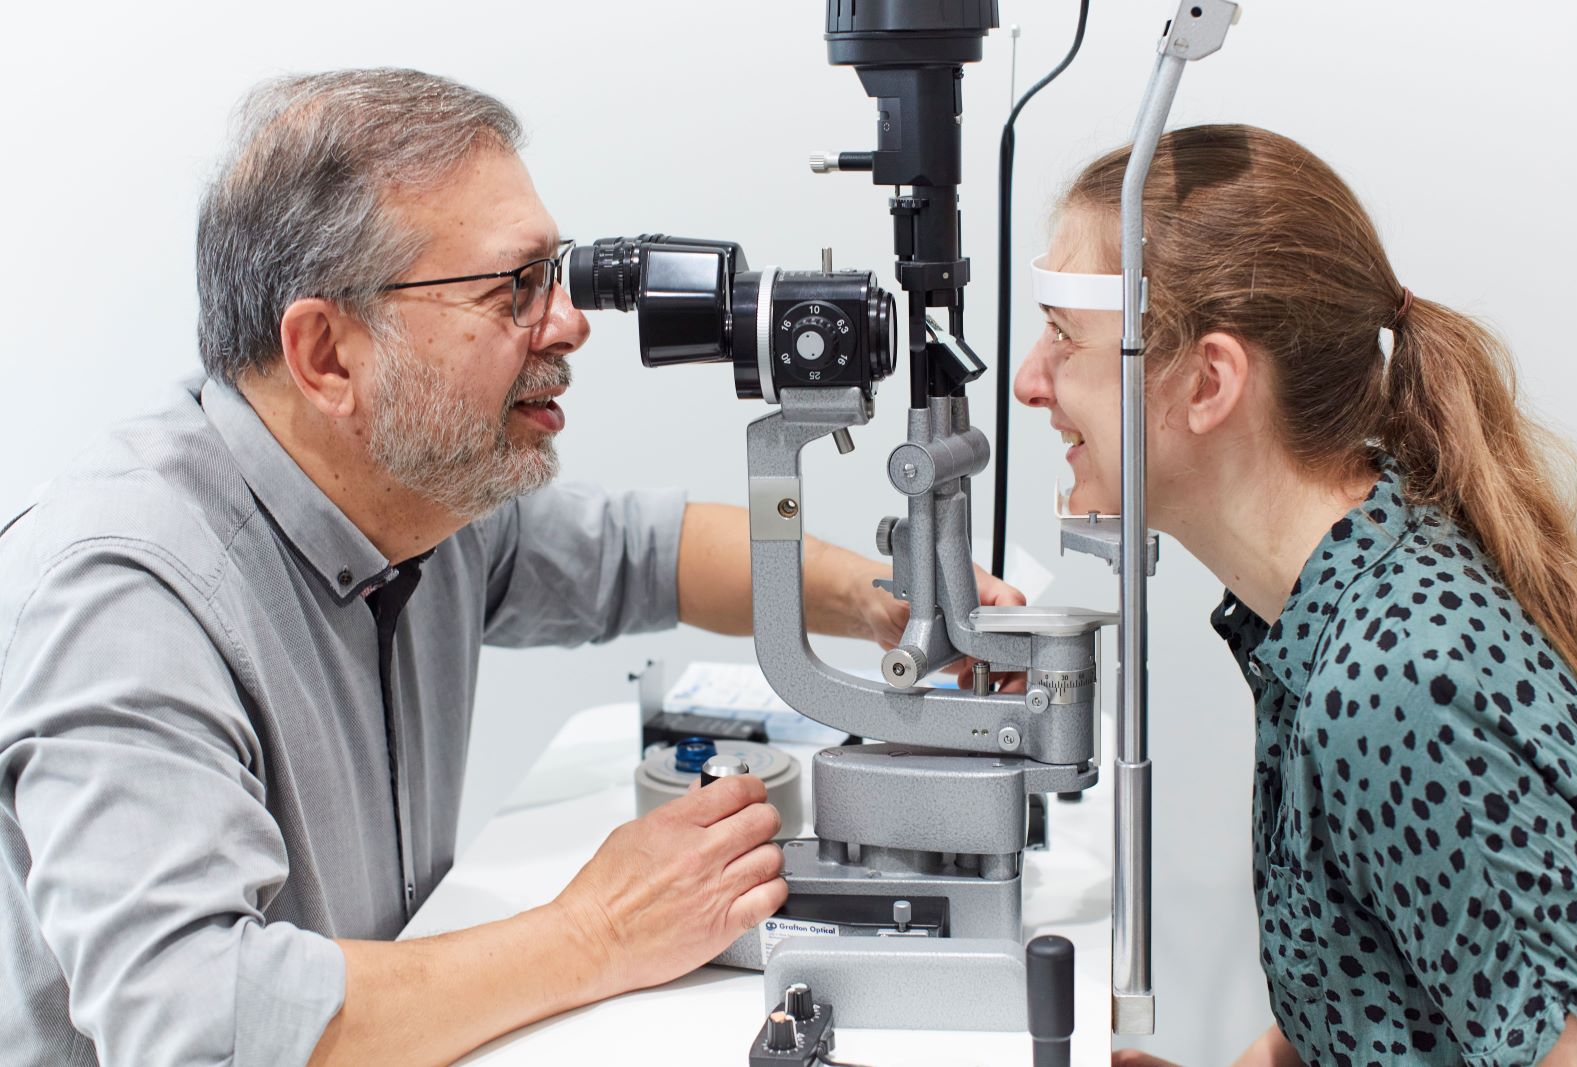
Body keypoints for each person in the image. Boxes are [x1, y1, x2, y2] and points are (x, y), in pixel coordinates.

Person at [0, 69, 1022, 1066]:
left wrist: (889, 605)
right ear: (325, 353)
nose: (569, 325)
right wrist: (593, 933)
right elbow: (196, 1026)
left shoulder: (415, 497)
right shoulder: (127, 594)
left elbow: (647, 551)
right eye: (513, 289)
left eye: (558, 276)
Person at [1014, 124, 1577, 1066]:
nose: (1028, 383)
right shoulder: (1323, 623)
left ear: (1208, 381)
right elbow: (1380, 998)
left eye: (1062, 336)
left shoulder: (1401, 683)